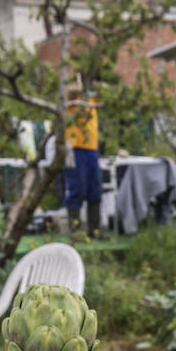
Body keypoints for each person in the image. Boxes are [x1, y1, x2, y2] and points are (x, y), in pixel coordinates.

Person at [62, 85, 102, 237]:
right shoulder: (73, 100)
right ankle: (75, 231)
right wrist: (79, 86)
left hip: (92, 149)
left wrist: (97, 86)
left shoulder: (91, 98)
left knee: (95, 190)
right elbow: (70, 91)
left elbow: (106, 93)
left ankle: (94, 230)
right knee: (77, 188)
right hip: (75, 148)